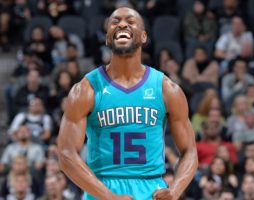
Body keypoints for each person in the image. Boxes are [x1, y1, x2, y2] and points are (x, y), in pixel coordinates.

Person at [58, 7, 198, 200]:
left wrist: (174, 190)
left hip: (153, 189)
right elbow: (66, 154)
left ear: (143, 36)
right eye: (115, 22)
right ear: (108, 37)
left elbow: (190, 150)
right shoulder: (86, 89)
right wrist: (110, 196)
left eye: (130, 22)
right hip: (102, 187)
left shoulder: (166, 89)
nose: (122, 24)